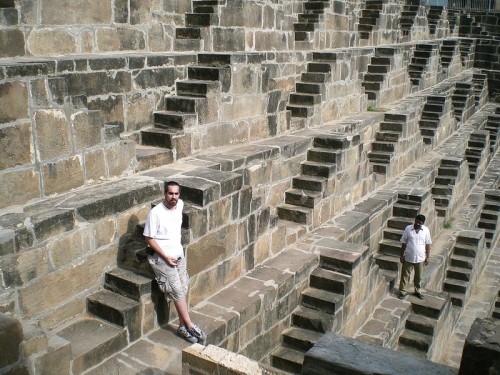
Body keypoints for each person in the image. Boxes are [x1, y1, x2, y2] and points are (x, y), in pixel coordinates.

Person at [143, 180, 207, 344]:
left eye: (176, 194)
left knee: (183, 287)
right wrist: (165, 257)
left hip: (178, 255)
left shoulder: (180, 205)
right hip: (161, 259)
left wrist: (176, 254)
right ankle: (190, 325)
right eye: (170, 193)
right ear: (164, 194)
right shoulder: (156, 213)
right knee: (177, 292)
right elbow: (149, 238)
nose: (173, 197)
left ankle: (182, 327)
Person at [398, 214, 432, 300]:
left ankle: (417, 291)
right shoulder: (408, 229)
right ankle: (402, 292)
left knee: (419, 276)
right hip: (409, 256)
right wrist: (401, 255)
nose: (417, 224)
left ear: (422, 223)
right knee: (405, 275)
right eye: (416, 222)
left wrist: (427, 257)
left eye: (419, 223)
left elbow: (427, 244)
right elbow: (404, 243)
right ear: (415, 220)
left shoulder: (426, 230)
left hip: (420, 258)